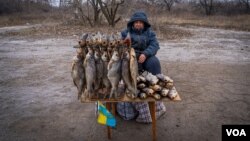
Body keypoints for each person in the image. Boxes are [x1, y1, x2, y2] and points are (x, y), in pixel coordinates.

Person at [116, 11, 166, 123]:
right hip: (131, 56)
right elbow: (120, 46)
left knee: (154, 62)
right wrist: (125, 46)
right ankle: (131, 85)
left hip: (145, 56)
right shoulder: (125, 33)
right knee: (124, 65)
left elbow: (155, 45)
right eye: (136, 22)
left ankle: (154, 86)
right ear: (132, 23)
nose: (138, 24)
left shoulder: (150, 33)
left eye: (140, 22)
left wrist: (146, 53)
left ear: (144, 24)